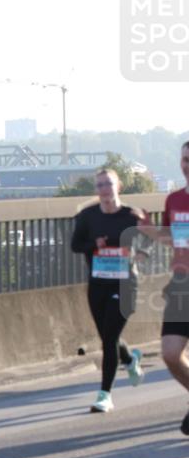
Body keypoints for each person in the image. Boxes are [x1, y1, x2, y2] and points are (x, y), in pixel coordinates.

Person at [70, 168, 147, 413]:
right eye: (100, 185)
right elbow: (75, 245)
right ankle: (128, 359)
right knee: (107, 337)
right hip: (98, 284)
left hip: (125, 284)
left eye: (109, 184)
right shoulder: (87, 216)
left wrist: (143, 247)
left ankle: (105, 395)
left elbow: (151, 239)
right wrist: (95, 244)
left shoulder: (131, 215)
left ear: (118, 187)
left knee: (110, 339)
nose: (104, 189)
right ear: (97, 190)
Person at [139, 141, 189, 436]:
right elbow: (174, 240)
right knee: (171, 354)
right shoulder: (174, 201)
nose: (187, 164)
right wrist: (150, 231)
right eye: (184, 159)